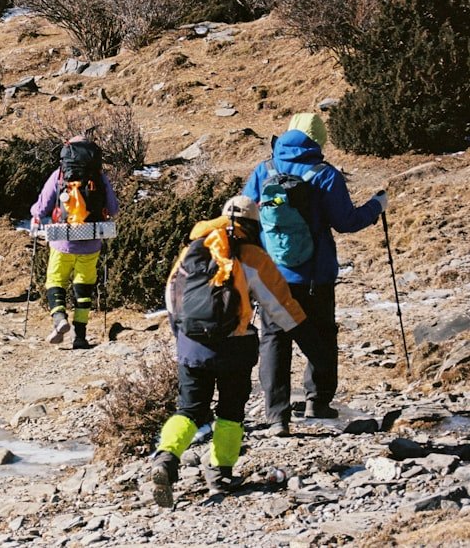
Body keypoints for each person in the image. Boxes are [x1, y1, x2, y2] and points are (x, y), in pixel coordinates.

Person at [150, 196, 332, 507]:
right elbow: (280, 306)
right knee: (230, 412)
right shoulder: (252, 256)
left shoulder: (192, 251)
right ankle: (220, 474)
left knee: (189, 409)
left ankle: (166, 458)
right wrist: (314, 347)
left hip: (192, 346)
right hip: (235, 348)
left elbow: (172, 296)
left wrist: (181, 338)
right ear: (253, 225)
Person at [244, 112, 386, 436]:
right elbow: (347, 222)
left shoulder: (264, 170)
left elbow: (246, 216)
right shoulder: (325, 175)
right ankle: (317, 402)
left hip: (271, 278)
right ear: (319, 141)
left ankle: (277, 416)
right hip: (315, 276)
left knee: (274, 340)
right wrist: (377, 207)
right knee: (321, 334)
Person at [30, 137, 119, 349]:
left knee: (55, 281)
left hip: (62, 240)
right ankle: (80, 337)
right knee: (84, 287)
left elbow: (42, 206)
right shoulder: (99, 176)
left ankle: (59, 317)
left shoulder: (59, 175)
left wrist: (35, 216)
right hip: (91, 241)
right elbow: (113, 208)